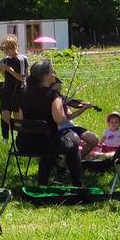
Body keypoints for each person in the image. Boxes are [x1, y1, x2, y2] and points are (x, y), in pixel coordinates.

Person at [19, 59, 99, 187]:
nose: (54, 73)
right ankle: (78, 183)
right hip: (45, 144)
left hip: (23, 143)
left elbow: (20, 118)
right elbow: (60, 119)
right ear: (46, 76)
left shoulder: (24, 94)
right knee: (72, 138)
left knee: (53, 142)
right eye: (52, 71)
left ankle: (43, 182)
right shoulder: (52, 94)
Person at [0, 35, 27, 140]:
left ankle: (21, 136)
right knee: (4, 114)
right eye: (4, 50)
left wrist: (8, 69)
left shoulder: (21, 59)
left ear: (14, 47)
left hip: (18, 91)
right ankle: (5, 138)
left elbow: (22, 78)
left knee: (18, 116)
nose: (6, 52)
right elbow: (6, 77)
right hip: (6, 90)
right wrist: (1, 69)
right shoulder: (5, 60)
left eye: (7, 50)